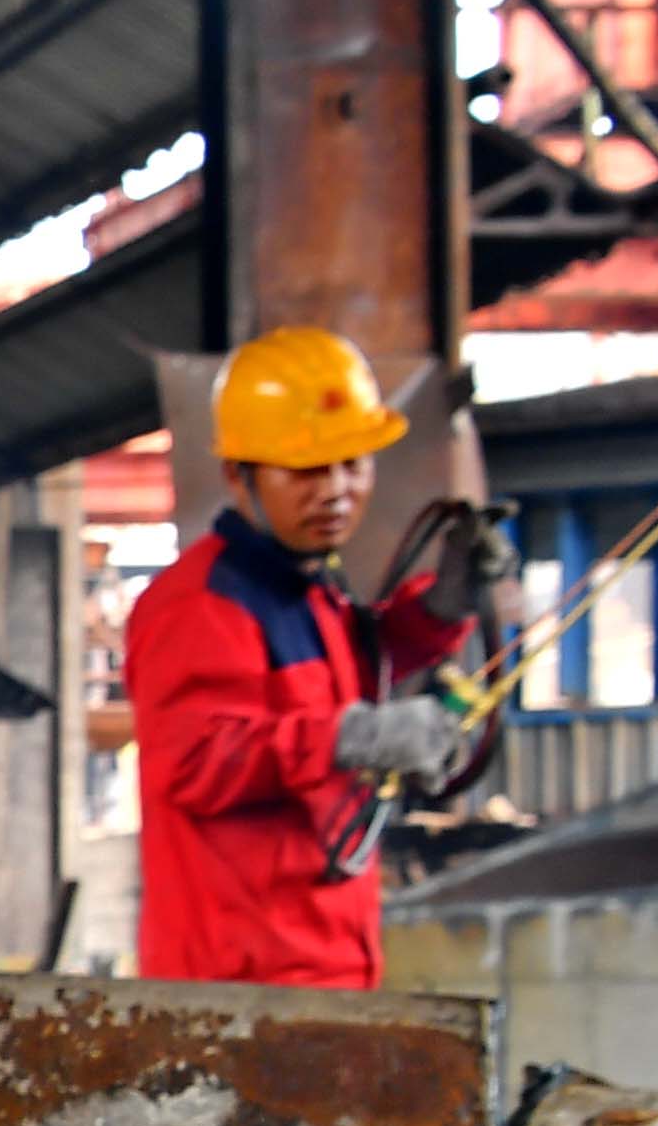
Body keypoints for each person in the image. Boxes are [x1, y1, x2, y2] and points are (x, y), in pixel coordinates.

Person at [123, 326, 484, 988]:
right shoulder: (200, 605)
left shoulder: (309, 590)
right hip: (240, 984)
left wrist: (441, 610)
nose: (337, 491)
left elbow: (356, 666)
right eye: (308, 470)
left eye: (352, 463)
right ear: (239, 474)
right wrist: (352, 738)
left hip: (322, 962)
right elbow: (197, 760)